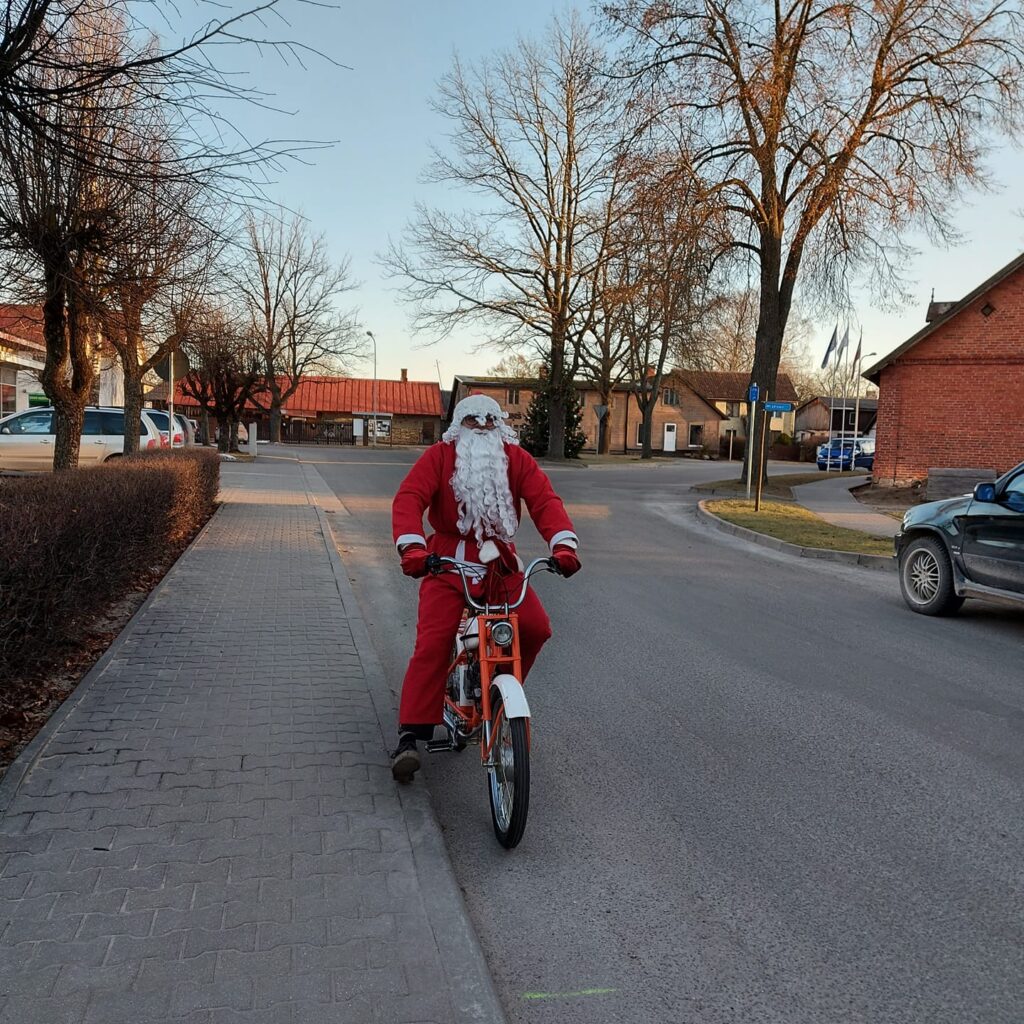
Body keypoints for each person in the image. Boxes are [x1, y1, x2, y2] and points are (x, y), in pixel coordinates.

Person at [389, 393, 581, 782]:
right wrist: (413, 547)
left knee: (534, 626)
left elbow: (544, 500)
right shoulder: (440, 457)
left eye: (489, 420)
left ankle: (499, 698)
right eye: (472, 421)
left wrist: (562, 545)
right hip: (446, 561)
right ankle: (411, 733)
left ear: (500, 425)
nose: (481, 427)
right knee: (434, 641)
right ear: (459, 425)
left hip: (498, 564)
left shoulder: (515, 458)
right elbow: (409, 499)